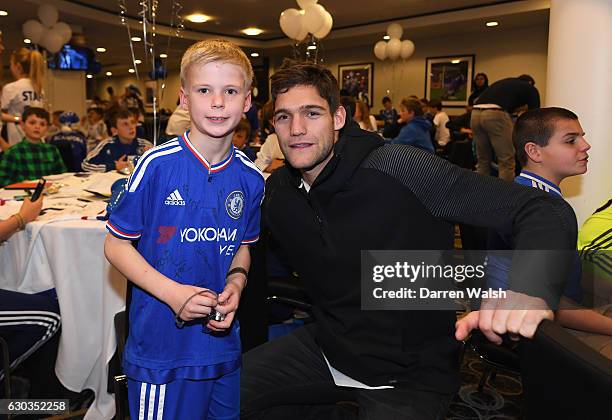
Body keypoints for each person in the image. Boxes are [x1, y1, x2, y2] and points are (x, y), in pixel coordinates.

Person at [240, 63, 576, 419]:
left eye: (311, 113)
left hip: (412, 371)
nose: (297, 129)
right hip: (329, 346)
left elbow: (540, 209)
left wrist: (528, 287)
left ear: (338, 117)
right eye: (283, 117)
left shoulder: (398, 167)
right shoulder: (279, 192)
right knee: (219, 399)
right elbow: (239, 240)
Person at [104, 39, 264, 419]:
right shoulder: (155, 165)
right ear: (184, 99)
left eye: (230, 91)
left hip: (222, 346)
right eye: (204, 90)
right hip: (163, 350)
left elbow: (242, 245)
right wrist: (174, 295)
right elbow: (116, 246)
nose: (218, 102)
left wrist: (236, 284)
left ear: (247, 101)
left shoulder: (252, 178)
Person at [486, 108, 612, 352]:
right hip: (538, 331)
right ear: (534, 151)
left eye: (582, 137)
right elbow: (555, 307)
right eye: (571, 140)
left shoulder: (529, 194)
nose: (585, 145)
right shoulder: (542, 213)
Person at [471, 74, 540, 181]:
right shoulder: (530, 89)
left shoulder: (506, 83)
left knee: (483, 160)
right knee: (506, 160)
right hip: (494, 114)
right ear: (530, 83)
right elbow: (534, 116)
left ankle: (480, 193)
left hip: (475, 113)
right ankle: (506, 196)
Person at [0, 107, 66, 187]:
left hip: (50, 194)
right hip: (22, 195)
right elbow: (2, 179)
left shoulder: (52, 150)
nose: (37, 127)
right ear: (22, 125)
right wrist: (21, 183)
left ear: (47, 128)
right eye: (32, 123)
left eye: (42, 124)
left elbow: (62, 175)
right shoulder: (13, 152)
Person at [81, 108, 153, 172]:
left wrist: (152, 158)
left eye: (133, 122)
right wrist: (113, 166)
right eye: (125, 124)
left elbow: (162, 167)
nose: (131, 127)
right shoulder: (106, 144)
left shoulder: (145, 145)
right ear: (115, 131)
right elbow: (85, 165)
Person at [1, 48, 45, 148]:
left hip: (18, 139)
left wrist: (18, 118)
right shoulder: (38, 87)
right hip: (37, 139)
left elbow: (1, 115)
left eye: (11, 64)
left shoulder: (11, 87)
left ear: (18, 67)